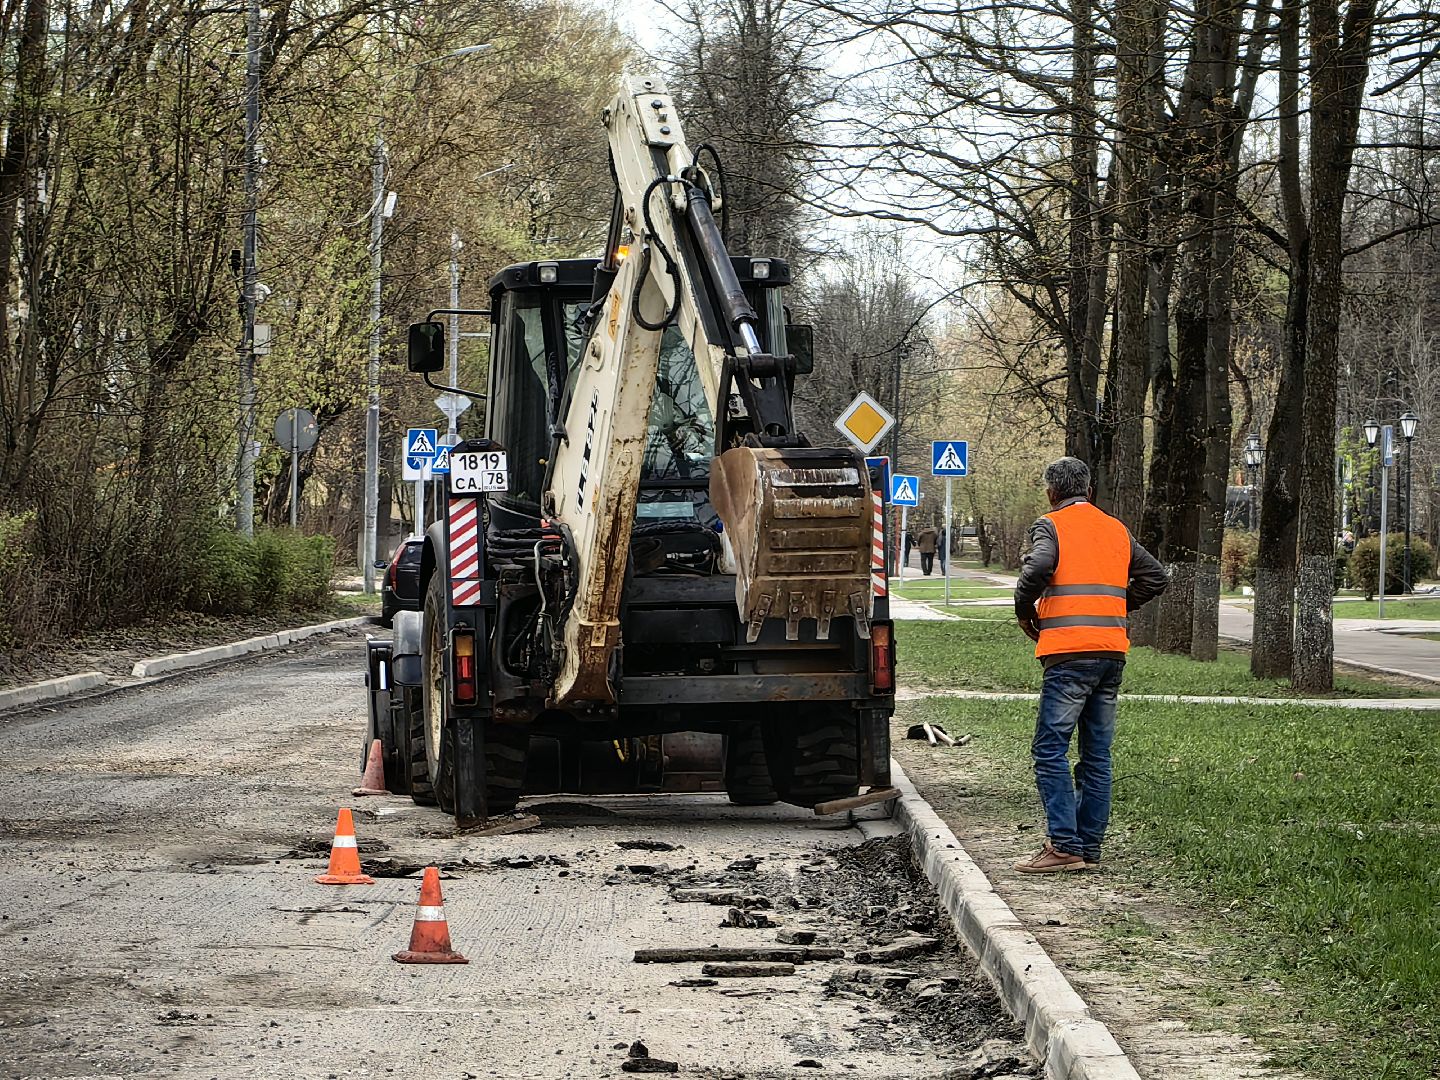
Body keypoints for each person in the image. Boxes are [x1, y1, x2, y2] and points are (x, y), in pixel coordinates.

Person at [1012, 456, 1168, 873]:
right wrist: (1118, 605)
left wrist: (1024, 610)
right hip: (1111, 651)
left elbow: (1040, 566)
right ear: (1089, 491)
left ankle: (1063, 845)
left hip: (1069, 652)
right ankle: (1089, 847)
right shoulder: (1115, 528)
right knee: (1097, 754)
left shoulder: (1050, 525)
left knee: (1050, 749)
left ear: (1051, 492)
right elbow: (1156, 577)